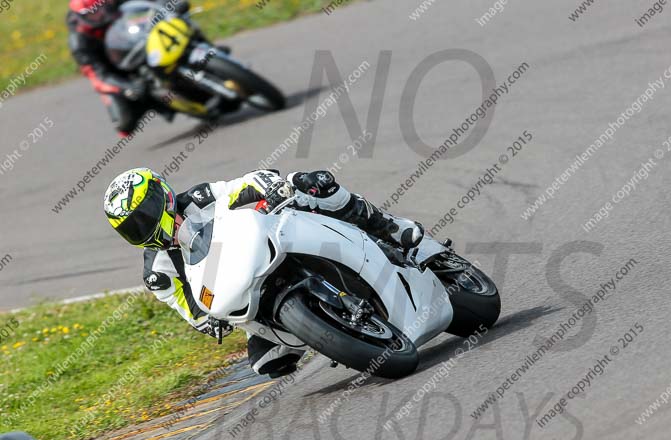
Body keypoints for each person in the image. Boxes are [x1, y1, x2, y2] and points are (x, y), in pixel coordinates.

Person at [103, 168, 424, 378]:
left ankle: (389, 227)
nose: (144, 226)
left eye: (144, 215)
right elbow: (189, 308)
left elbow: (241, 187)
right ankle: (334, 328)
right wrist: (208, 320)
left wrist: (268, 187)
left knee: (310, 183)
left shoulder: (198, 199)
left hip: (263, 241)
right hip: (242, 287)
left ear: (162, 194)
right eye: (133, 227)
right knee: (267, 361)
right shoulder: (156, 273)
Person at [67, 0, 192, 136]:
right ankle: (172, 103)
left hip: (142, 41)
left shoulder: (112, 3)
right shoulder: (79, 42)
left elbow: (148, 2)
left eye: (101, 8)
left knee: (181, 26)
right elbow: (98, 78)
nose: (100, 15)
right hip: (118, 72)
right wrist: (127, 87)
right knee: (124, 124)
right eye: (92, 14)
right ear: (81, 17)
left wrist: (171, 4)